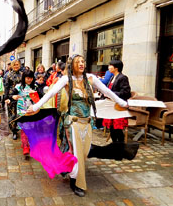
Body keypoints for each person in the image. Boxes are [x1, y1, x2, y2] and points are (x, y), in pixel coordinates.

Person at [27, 54, 130, 197]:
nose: (81, 64)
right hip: (73, 122)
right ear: (72, 65)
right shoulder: (66, 79)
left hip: (87, 123)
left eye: (83, 61)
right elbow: (51, 93)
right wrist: (37, 106)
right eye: (78, 62)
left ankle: (69, 170)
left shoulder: (90, 78)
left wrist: (123, 103)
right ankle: (76, 183)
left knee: (84, 152)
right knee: (77, 153)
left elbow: (107, 92)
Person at [10, 70, 39, 157]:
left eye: (31, 78)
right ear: (24, 78)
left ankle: (27, 143)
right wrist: (13, 97)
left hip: (32, 109)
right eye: (27, 78)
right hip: (22, 109)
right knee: (24, 128)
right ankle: (26, 146)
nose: (29, 80)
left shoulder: (35, 87)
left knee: (31, 127)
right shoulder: (19, 87)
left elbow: (39, 97)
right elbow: (10, 94)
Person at [102, 60, 131, 143]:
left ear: (116, 68)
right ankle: (115, 146)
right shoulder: (112, 77)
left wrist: (111, 94)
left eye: (110, 65)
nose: (108, 67)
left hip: (118, 107)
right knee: (112, 128)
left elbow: (126, 93)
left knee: (117, 129)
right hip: (111, 106)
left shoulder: (123, 78)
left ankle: (121, 147)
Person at [5, 59, 22, 140]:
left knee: (20, 114)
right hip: (11, 97)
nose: (16, 66)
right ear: (12, 65)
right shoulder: (8, 75)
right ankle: (14, 131)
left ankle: (19, 129)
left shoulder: (22, 74)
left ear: (19, 65)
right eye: (14, 64)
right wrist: (6, 98)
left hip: (20, 96)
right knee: (12, 115)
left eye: (17, 64)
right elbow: (6, 87)